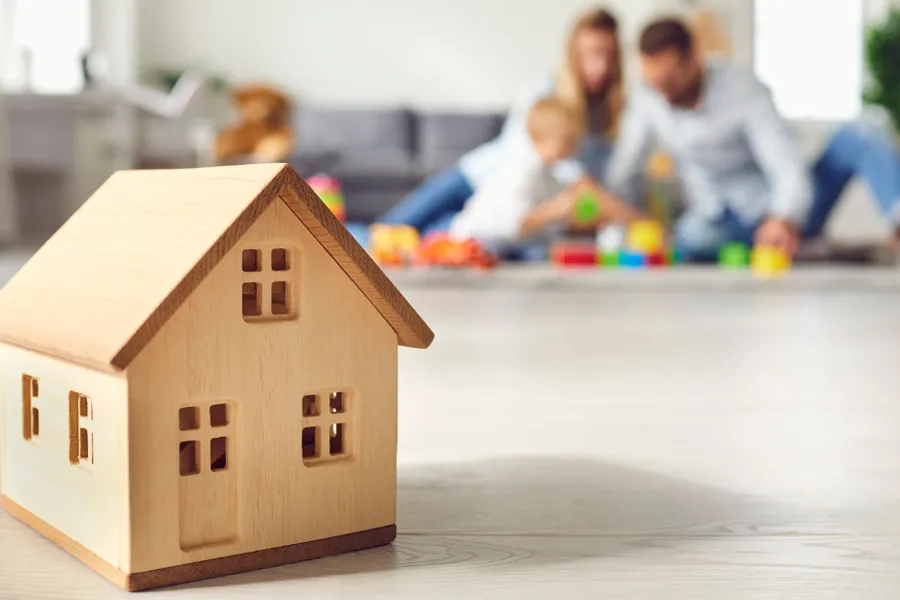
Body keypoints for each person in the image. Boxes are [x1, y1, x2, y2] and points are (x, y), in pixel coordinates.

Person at [607, 17, 900, 261]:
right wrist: (620, 219)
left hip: (781, 209)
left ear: (694, 57)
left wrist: (783, 217)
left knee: (863, 131)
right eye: (655, 85)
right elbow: (625, 171)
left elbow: (786, 165)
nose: (664, 95)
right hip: (717, 220)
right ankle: (813, 252)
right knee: (689, 240)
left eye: (670, 82)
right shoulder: (648, 100)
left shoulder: (743, 90)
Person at [371, 8, 625, 240]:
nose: (600, 67)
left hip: (501, 210)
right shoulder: (544, 90)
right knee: (390, 230)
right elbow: (532, 149)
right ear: (574, 55)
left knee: (431, 240)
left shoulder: (610, 114)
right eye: (592, 54)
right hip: (476, 177)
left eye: (608, 56)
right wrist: (584, 183)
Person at [447, 98, 636, 260]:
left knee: (550, 249)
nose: (574, 147)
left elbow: (556, 216)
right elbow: (514, 225)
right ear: (539, 138)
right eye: (566, 140)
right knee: (540, 253)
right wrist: (555, 210)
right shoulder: (522, 173)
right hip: (469, 244)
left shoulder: (550, 174)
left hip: (502, 250)